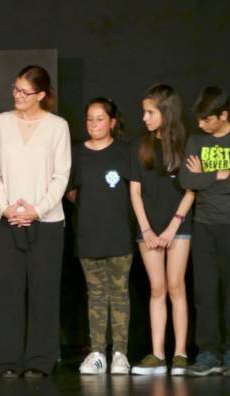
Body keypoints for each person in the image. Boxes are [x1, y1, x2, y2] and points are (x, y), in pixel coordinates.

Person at [0, 65, 71, 378]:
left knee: (43, 292)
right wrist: (5, 207)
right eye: (15, 88)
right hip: (5, 220)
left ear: (41, 95)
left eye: (24, 91)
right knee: (8, 292)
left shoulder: (57, 127)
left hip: (45, 223)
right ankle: (9, 360)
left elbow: (61, 174)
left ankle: (40, 359)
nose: (17, 95)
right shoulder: (0, 123)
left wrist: (38, 209)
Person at [179, 87, 230, 377]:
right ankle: (208, 352)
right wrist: (216, 175)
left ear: (223, 115)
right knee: (205, 291)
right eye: (199, 119)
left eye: (207, 119)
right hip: (204, 223)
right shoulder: (196, 139)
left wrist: (203, 177)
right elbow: (186, 179)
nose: (201, 124)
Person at [129, 84, 194, 376]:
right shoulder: (140, 146)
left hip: (177, 227)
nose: (145, 117)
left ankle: (179, 353)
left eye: (150, 112)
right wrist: (147, 230)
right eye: (144, 112)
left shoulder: (186, 144)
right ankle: (157, 354)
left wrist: (172, 227)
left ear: (166, 112)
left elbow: (191, 191)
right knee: (157, 288)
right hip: (149, 230)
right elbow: (135, 192)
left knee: (176, 286)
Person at [66, 98, 132, 375]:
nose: (94, 124)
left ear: (112, 123)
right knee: (95, 294)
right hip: (88, 234)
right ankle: (97, 352)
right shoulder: (77, 153)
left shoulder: (125, 152)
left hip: (119, 234)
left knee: (119, 293)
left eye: (100, 119)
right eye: (90, 119)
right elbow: (71, 191)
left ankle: (120, 353)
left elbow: (135, 190)